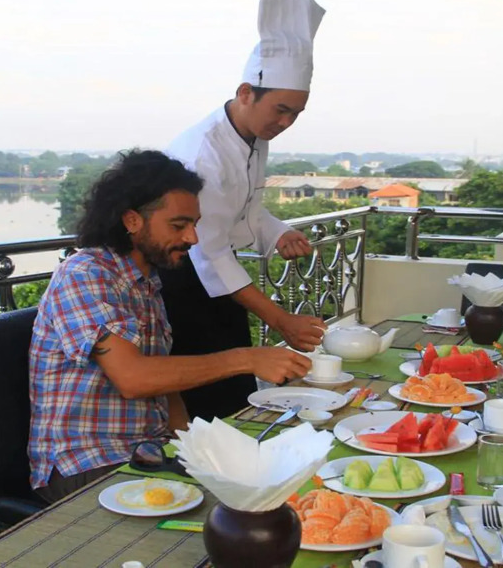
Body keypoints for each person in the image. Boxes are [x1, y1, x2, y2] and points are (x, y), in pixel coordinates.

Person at [28, 149, 312, 503]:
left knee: (275, 481)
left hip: (149, 451)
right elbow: (134, 378)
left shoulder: (147, 282)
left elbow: (165, 386)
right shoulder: (85, 275)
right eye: (178, 226)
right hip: (88, 462)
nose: (192, 238)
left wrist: (195, 449)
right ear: (132, 220)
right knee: (235, 511)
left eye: (194, 225)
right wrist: (247, 359)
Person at [161, 0, 328, 421]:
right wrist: (282, 320)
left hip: (217, 277)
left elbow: (242, 206)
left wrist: (278, 232)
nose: (286, 123)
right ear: (246, 92)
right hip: (181, 278)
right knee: (208, 399)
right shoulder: (205, 152)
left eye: (296, 114)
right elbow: (210, 250)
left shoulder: (253, 134)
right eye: (281, 110)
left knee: (237, 389)